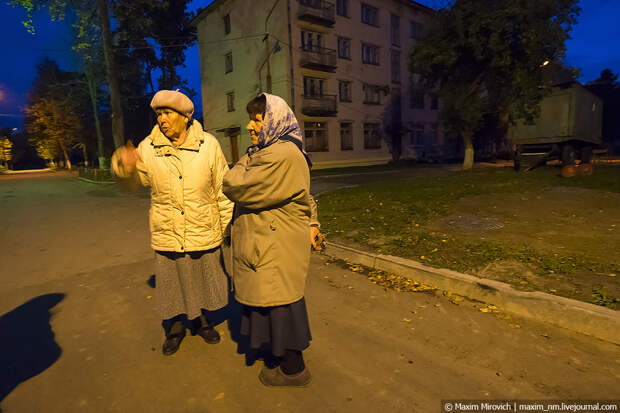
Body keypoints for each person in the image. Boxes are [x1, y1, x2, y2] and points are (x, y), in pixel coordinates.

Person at [111, 90, 233, 356]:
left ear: (185, 117)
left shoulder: (208, 145)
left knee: (201, 277)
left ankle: (201, 321)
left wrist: (226, 226)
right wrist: (125, 166)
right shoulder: (148, 148)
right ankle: (176, 327)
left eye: (167, 113)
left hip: (202, 225)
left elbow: (222, 189)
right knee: (172, 283)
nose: (162, 119)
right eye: (158, 114)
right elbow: (134, 183)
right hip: (168, 230)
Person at [222, 93, 321, 387]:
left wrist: (244, 160)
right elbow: (305, 197)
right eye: (251, 118)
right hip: (271, 243)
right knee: (277, 302)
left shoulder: (280, 155)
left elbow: (234, 185)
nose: (250, 126)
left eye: (257, 119)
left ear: (275, 121)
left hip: (273, 245)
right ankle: (280, 360)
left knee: (281, 305)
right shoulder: (279, 151)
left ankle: (293, 370)